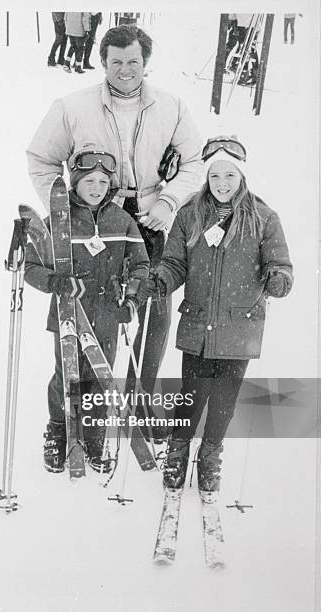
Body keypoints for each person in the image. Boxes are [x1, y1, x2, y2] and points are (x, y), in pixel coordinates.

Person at [27, 25, 202, 433]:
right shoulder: (73, 106)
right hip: (96, 222)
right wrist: (63, 208)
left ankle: (140, 402)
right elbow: (41, 159)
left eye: (134, 62)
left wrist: (168, 200)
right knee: (94, 314)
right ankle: (83, 412)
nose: (126, 70)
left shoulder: (172, 107)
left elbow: (193, 161)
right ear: (103, 62)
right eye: (117, 61)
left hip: (151, 218)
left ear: (146, 63)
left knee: (154, 313)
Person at [139, 136, 293, 498]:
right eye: (215, 176)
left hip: (240, 325)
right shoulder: (190, 214)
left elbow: (280, 264)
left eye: (230, 176)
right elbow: (176, 263)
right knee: (191, 396)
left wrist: (279, 279)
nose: (222, 184)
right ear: (206, 178)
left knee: (224, 399)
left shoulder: (264, 217)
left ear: (242, 177)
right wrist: (161, 279)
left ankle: (210, 456)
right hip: (197, 322)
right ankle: (178, 451)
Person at [24, 148, 149, 473]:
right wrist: (55, 282)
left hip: (107, 311)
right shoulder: (58, 219)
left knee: (98, 378)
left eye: (103, 181)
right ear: (75, 183)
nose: (96, 187)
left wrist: (131, 298)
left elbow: (140, 265)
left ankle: (94, 438)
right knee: (66, 375)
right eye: (89, 180)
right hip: (68, 310)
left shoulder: (122, 221)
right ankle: (59, 431)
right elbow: (32, 266)